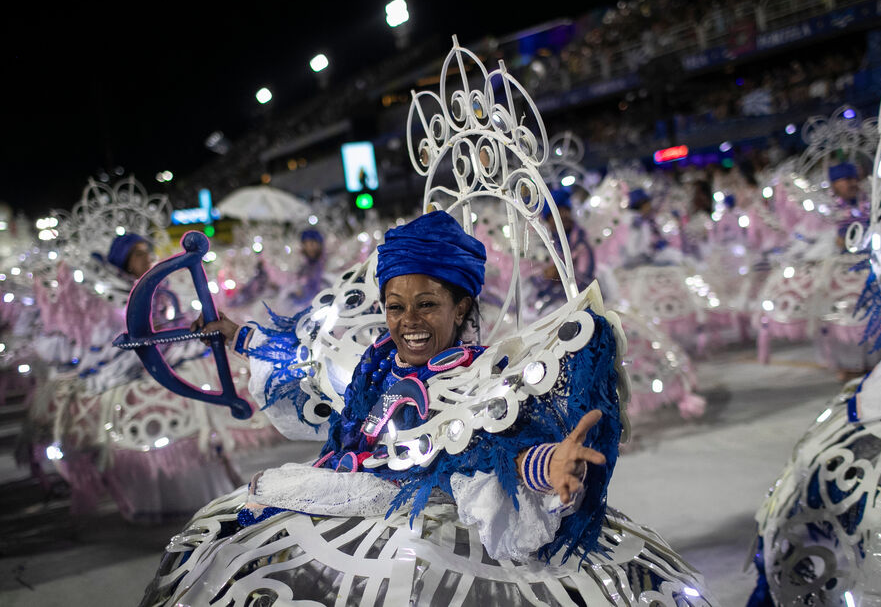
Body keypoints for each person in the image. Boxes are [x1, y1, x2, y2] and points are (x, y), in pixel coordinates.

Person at [138, 209, 713, 605]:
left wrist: (549, 465)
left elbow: (498, 443)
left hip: (426, 524)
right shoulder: (373, 361)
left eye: (428, 304)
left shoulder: (475, 373)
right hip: (345, 495)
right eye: (395, 305)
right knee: (225, 538)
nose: (409, 321)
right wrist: (239, 335)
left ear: (462, 308)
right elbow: (308, 362)